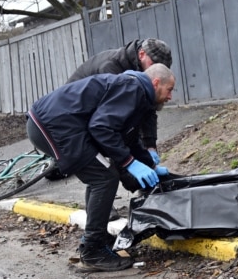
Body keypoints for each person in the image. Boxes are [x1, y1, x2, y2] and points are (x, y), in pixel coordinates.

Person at [26, 64, 175, 272]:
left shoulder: (137, 93)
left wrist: (149, 166)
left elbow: (128, 139)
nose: (170, 97)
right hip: (53, 125)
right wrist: (129, 164)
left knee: (101, 175)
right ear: (156, 83)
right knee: (103, 178)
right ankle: (92, 250)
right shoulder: (131, 89)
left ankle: (98, 236)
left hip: (53, 123)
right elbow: (101, 127)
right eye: (169, 90)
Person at [66, 38, 173, 220]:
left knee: (127, 151)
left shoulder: (145, 76)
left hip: (101, 116)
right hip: (77, 114)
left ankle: (147, 191)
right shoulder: (112, 68)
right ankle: (100, 211)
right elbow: (109, 126)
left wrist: (150, 148)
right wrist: (131, 164)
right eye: (154, 64)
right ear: (141, 54)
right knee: (100, 165)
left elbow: (147, 111)